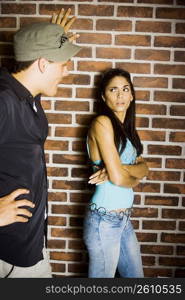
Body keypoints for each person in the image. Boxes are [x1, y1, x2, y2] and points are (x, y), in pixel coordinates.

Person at [0, 8, 81, 278]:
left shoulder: (28, 96)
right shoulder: (3, 101)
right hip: (7, 256)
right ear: (43, 64)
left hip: (30, 245)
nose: (67, 71)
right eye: (63, 64)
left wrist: (54, 37)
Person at [83, 68, 149, 278]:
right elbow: (120, 179)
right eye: (113, 89)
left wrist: (119, 169)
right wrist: (124, 173)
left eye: (125, 89)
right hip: (105, 220)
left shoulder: (127, 130)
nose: (120, 95)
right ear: (104, 96)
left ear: (132, 95)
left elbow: (144, 168)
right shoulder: (102, 123)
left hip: (123, 219)